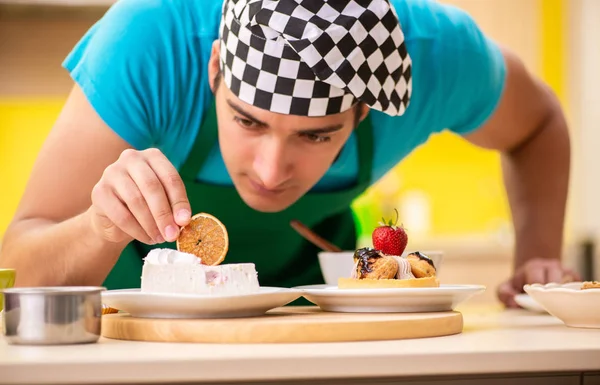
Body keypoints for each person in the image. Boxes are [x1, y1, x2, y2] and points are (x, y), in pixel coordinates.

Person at [0, 0, 577, 307]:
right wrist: (100, 227)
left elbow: (539, 124)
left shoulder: (438, 56)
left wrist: (536, 261)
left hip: (313, 320)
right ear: (214, 69)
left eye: (317, 134)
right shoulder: (148, 45)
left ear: (364, 111)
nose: (270, 171)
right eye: (247, 121)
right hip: (139, 326)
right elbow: (17, 264)